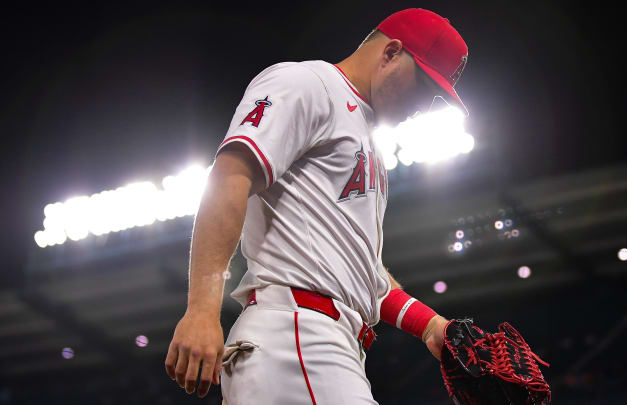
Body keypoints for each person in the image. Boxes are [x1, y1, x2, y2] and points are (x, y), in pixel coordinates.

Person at [164, 8, 469, 404]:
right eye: (425, 86)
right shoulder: (308, 84)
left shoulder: (369, 142)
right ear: (391, 52)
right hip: (297, 336)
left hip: (325, 344)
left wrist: (431, 326)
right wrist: (202, 310)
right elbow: (229, 177)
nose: (425, 105)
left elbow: (363, 275)